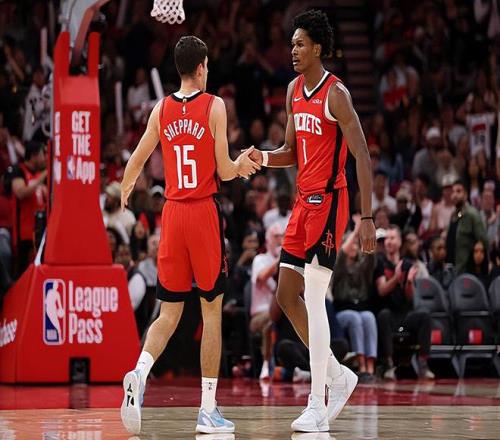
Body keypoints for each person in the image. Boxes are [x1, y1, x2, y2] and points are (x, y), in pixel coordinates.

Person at [119, 36, 259, 435]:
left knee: (168, 312)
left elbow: (137, 158)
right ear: (201, 68)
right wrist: (241, 165)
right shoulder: (215, 105)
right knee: (211, 311)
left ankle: (140, 372)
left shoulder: (161, 109)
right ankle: (208, 410)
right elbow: (224, 170)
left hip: (172, 214)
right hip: (201, 213)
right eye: (208, 66)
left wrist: (126, 189)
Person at [248, 10, 376, 432]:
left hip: (331, 202)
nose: (293, 50)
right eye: (292, 44)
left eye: (300, 44)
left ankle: (316, 401)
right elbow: (290, 151)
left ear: (318, 48)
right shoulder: (292, 91)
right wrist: (262, 157)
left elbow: (362, 154)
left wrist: (367, 216)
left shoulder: (336, 94)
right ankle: (338, 375)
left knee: (316, 297)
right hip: (303, 203)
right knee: (286, 296)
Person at [374, 225, 434, 380]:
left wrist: (408, 282)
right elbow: (381, 290)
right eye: (387, 238)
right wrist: (397, 278)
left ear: (400, 242)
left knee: (424, 315)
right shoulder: (380, 262)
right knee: (384, 315)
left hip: (404, 314)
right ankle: (388, 365)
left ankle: (423, 364)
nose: (389, 241)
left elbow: (410, 298)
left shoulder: (407, 264)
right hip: (388, 313)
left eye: (392, 238)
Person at [332, 214, 378, 383]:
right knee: (355, 318)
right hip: (342, 311)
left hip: (361, 308)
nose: (353, 246)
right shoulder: (339, 266)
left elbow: (371, 257)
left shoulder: (361, 267)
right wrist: (357, 229)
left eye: (356, 244)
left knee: (369, 317)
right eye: (350, 243)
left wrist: (367, 230)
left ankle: (371, 364)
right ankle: (361, 364)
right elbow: (341, 254)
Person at [249, 221, 284, 380]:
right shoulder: (260, 259)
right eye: (276, 236)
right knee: (271, 321)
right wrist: (279, 260)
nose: (280, 239)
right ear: (268, 240)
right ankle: (266, 365)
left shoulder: (284, 262)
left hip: (280, 312)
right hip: (259, 315)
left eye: (282, 236)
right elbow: (261, 277)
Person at [10, 141, 47, 276]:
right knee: (23, 273)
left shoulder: (40, 175)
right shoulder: (18, 171)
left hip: (39, 232)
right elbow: (20, 192)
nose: (45, 158)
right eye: (43, 153)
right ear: (34, 155)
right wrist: (44, 175)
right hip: (23, 234)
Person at [445, 180, 488, 274]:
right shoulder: (454, 215)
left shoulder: (472, 215)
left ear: (465, 194)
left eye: (458, 191)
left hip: (467, 271)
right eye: (453, 192)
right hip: (452, 269)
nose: (455, 195)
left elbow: (483, 241)